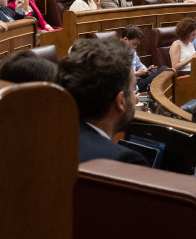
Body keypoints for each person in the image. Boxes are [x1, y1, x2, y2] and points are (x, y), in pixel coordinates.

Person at [55, 38, 148, 166]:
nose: (135, 95)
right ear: (120, 101)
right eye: (133, 88)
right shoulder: (123, 160)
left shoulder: (46, 140)